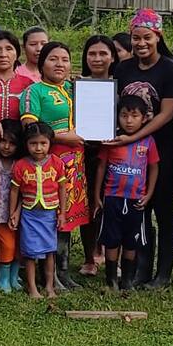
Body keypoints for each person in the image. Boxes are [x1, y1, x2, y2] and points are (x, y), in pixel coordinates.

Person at [113, 8, 173, 289]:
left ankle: (163, 272)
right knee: (138, 207)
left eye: (147, 37)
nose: (141, 43)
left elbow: (166, 114)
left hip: (162, 149)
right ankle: (141, 268)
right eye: (136, 38)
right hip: (131, 153)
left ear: (158, 36)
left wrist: (134, 136)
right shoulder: (123, 69)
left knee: (163, 210)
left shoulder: (171, 70)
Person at [19, 42, 87, 291]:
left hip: (75, 162)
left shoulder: (74, 89)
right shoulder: (34, 91)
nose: (60, 64)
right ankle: (48, 274)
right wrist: (63, 137)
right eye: (53, 59)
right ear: (41, 63)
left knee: (65, 217)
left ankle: (63, 270)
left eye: (65, 59)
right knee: (48, 215)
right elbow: (29, 127)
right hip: (47, 163)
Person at [93, 95, 158, 291]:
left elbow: (154, 167)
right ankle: (111, 279)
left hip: (136, 200)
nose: (129, 121)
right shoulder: (111, 140)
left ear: (144, 118)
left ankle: (127, 279)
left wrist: (149, 194)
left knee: (131, 241)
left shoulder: (148, 141)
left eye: (134, 116)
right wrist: (97, 195)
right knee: (111, 239)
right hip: (112, 197)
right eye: (124, 115)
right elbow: (101, 167)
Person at [9, 121, 66, 299]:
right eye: (33, 143)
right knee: (30, 252)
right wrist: (13, 213)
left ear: (50, 143)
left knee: (50, 250)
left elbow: (62, 188)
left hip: (50, 214)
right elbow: (14, 191)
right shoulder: (20, 165)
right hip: (29, 214)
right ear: (26, 144)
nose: (38, 148)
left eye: (43, 143)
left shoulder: (56, 163)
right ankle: (32, 288)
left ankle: (49, 286)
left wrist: (62, 213)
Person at [79, 35, 118, 277]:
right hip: (84, 151)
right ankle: (89, 257)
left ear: (112, 57)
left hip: (115, 152)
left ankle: (113, 256)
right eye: (92, 54)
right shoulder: (76, 86)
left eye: (103, 53)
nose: (97, 58)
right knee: (88, 205)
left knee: (112, 204)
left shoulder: (121, 86)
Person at [0, 119, 23, 293]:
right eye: (3, 141)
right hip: (0, 210)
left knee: (18, 244)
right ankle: (2, 278)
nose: (6, 146)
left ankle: (14, 276)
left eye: (12, 143)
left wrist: (17, 211)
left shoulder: (20, 164)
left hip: (19, 211)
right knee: (6, 245)